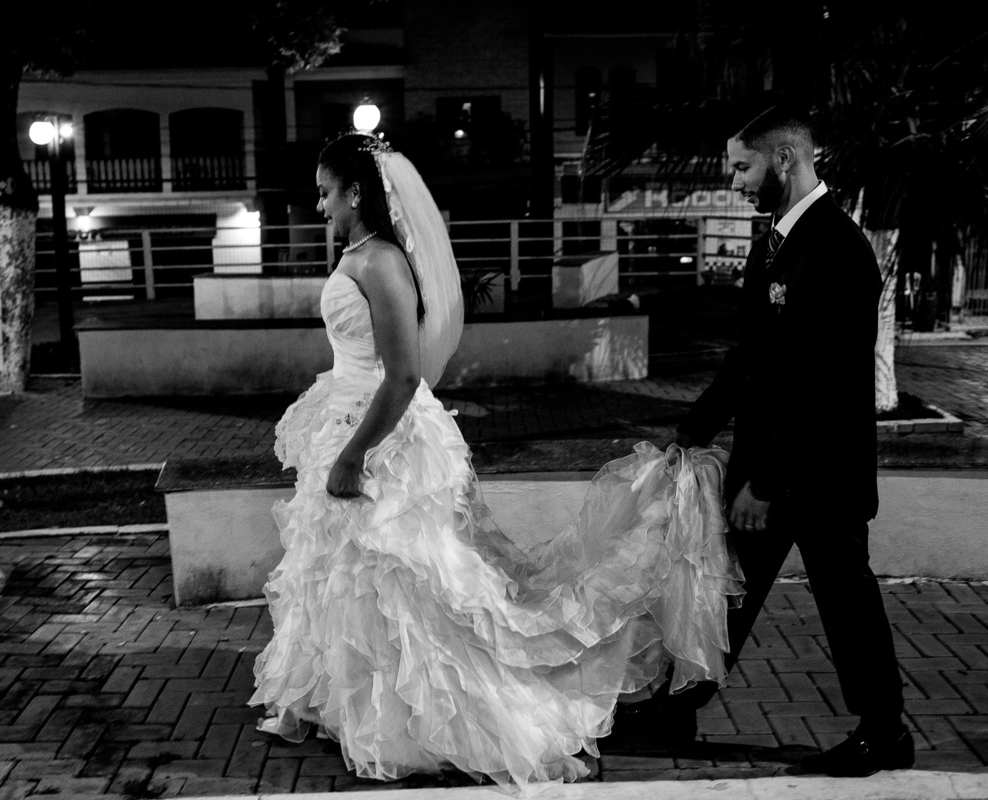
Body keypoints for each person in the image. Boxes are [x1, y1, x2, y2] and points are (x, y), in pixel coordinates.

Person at [249, 132, 744, 788]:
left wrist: (353, 456)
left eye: (325, 193)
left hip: (380, 439)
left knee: (406, 584)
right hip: (348, 419)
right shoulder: (359, 256)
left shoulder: (381, 265)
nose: (319, 207)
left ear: (356, 192)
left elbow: (400, 377)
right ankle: (352, 702)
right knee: (351, 580)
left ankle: (426, 715)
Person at [617, 104, 912, 778]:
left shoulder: (837, 248)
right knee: (726, 591)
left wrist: (767, 482)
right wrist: (692, 428)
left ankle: (885, 730)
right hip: (770, 465)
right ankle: (679, 705)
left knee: (846, 600)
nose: (736, 181)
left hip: (819, 471)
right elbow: (751, 357)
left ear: (784, 159)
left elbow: (823, 384)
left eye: (742, 166)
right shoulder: (772, 242)